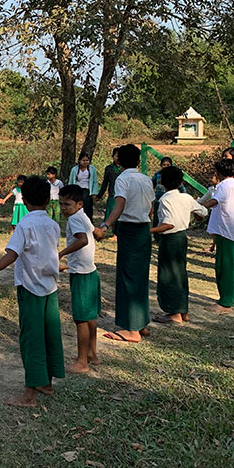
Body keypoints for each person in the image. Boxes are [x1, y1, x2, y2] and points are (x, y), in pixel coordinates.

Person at [0, 176, 63, 407]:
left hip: (30, 288)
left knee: (31, 338)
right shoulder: (53, 224)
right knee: (49, 335)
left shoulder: (25, 224)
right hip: (50, 288)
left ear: (25, 199)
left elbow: (12, 255)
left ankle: (29, 396)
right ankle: (46, 383)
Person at [99, 144, 154, 343]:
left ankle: (131, 330)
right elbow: (150, 207)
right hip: (143, 229)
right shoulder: (146, 178)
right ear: (138, 161)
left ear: (118, 161)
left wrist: (106, 225)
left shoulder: (123, 179)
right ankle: (141, 323)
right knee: (140, 276)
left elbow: (119, 205)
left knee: (127, 277)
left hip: (129, 229)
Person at [150, 166, 208, 324]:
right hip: (182, 237)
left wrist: (149, 230)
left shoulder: (165, 200)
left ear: (162, 182)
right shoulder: (186, 197)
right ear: (181, 181)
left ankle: (174, 312)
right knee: (180, 273)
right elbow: (203, 212)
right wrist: (196, 216)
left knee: (169, 274)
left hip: (170, 239)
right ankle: (183, 310)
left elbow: (168, 224)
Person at [58, 185, 104, 374]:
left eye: (67, 204)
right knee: (89, 317)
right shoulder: (82, 215)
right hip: (90, 272)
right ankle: (92, 354)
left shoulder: (75, 219)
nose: (63, 208)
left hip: (81, 274)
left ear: (79, 204)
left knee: (81, 320)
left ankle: (82, 361)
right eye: (60, 204)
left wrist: (60, 253)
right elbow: (95, 233)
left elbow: (83, 240)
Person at [201, 158, 234, 312]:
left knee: (224, 267)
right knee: (233, 266)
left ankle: (225, 302)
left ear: (219, 173)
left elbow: (213, 202)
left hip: (224, 231)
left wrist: (197, 207)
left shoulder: (223, 187)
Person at [150, 157, 186, 239]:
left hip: (171, 200)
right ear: (161, 165)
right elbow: (152, 185)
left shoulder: (173, 176)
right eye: (164, 165)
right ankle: (156, 236)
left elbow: (182, 188)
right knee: (157, 217)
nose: (165, 166)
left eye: (168, 165)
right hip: (158, 199)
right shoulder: (158, 175)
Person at [97, 147, 122, 238]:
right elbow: (105, 182)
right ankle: (114, 233)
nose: (118, 158)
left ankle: (119, 233)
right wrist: (100, 195)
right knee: (111, 213)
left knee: (121, 215)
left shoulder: (124, 169)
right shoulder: (109, 168)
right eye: (116, 155)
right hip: (112, 194)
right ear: (112, 156)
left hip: (122, 194)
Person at [68, 153, 99, 221]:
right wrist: (70, 191)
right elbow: (71, 180)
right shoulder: (74, 169)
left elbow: (95, 181)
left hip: (87, 190)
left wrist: (94, 193)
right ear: (79, 161)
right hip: (77, 190)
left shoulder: (92, 169)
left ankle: (88, 222)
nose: (85, 162)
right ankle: (76, 220)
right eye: (83, 160)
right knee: (77, 207)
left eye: (87, 160)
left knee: (87, 207)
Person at [199, 173, 220, 254]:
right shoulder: (211, 189)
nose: (210, 179)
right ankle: (214, 246)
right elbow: (204, 199)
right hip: (212, 211)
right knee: (213, 230)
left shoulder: (221, 188)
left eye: (212, 177)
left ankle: (216, 246)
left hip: (219, 211)